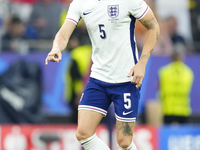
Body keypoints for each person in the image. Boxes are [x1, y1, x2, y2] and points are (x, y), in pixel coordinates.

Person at [45, 0, 160, 149]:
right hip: (98, 79)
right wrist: (56, 47)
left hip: (126, 80)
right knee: (83, 134)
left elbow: (153, 26)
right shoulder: (80, 3)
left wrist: (142, 64)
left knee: (124, 142)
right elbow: (64, 34)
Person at [158, 43, 194, 124]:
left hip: (168, 109)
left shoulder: (164, 71)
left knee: (167, 133)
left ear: (171, 57)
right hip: (183, 109)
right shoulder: (188, 72)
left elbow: (159, 86)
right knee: (184, 134)